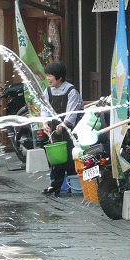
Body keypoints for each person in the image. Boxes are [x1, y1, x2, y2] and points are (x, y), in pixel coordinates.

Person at [41, 62, 83, 196]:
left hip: (71, 130)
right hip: (55, 128)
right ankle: (55, 185)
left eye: (51, 75)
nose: (48, 78)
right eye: (47, 75)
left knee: (71, 157)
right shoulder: (47, 91)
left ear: (60, 77)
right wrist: (45, 122)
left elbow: (72, 112)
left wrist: (64, 124)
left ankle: (74, 185)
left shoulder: (71, 91)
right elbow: (45, 108)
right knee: (56, 158)